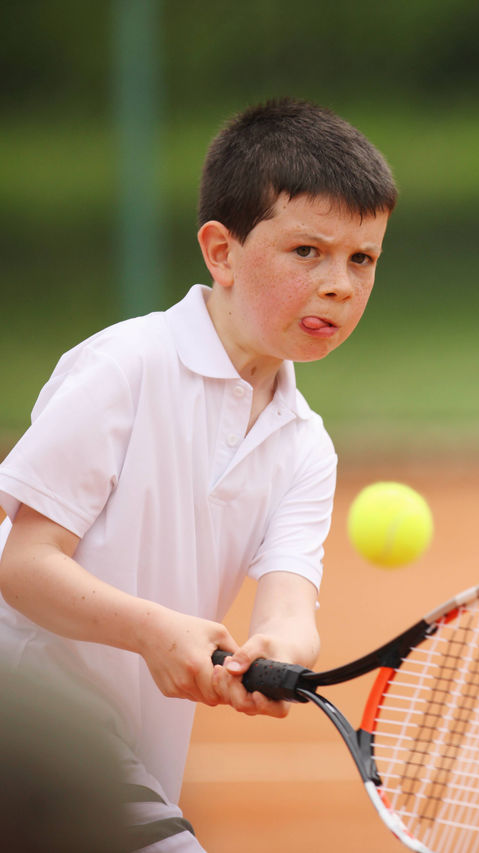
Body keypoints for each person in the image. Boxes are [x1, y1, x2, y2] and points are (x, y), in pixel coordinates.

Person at [0, 97, 397, 852]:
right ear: (221, 251)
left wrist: (275, 651)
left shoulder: (305, 445)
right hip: (27, 722)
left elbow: (288, 603)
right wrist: (156, 631)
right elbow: (22, 565)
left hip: (116, 749)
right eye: (307, 252)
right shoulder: (124, 367)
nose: (340, 284)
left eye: (362, 258)